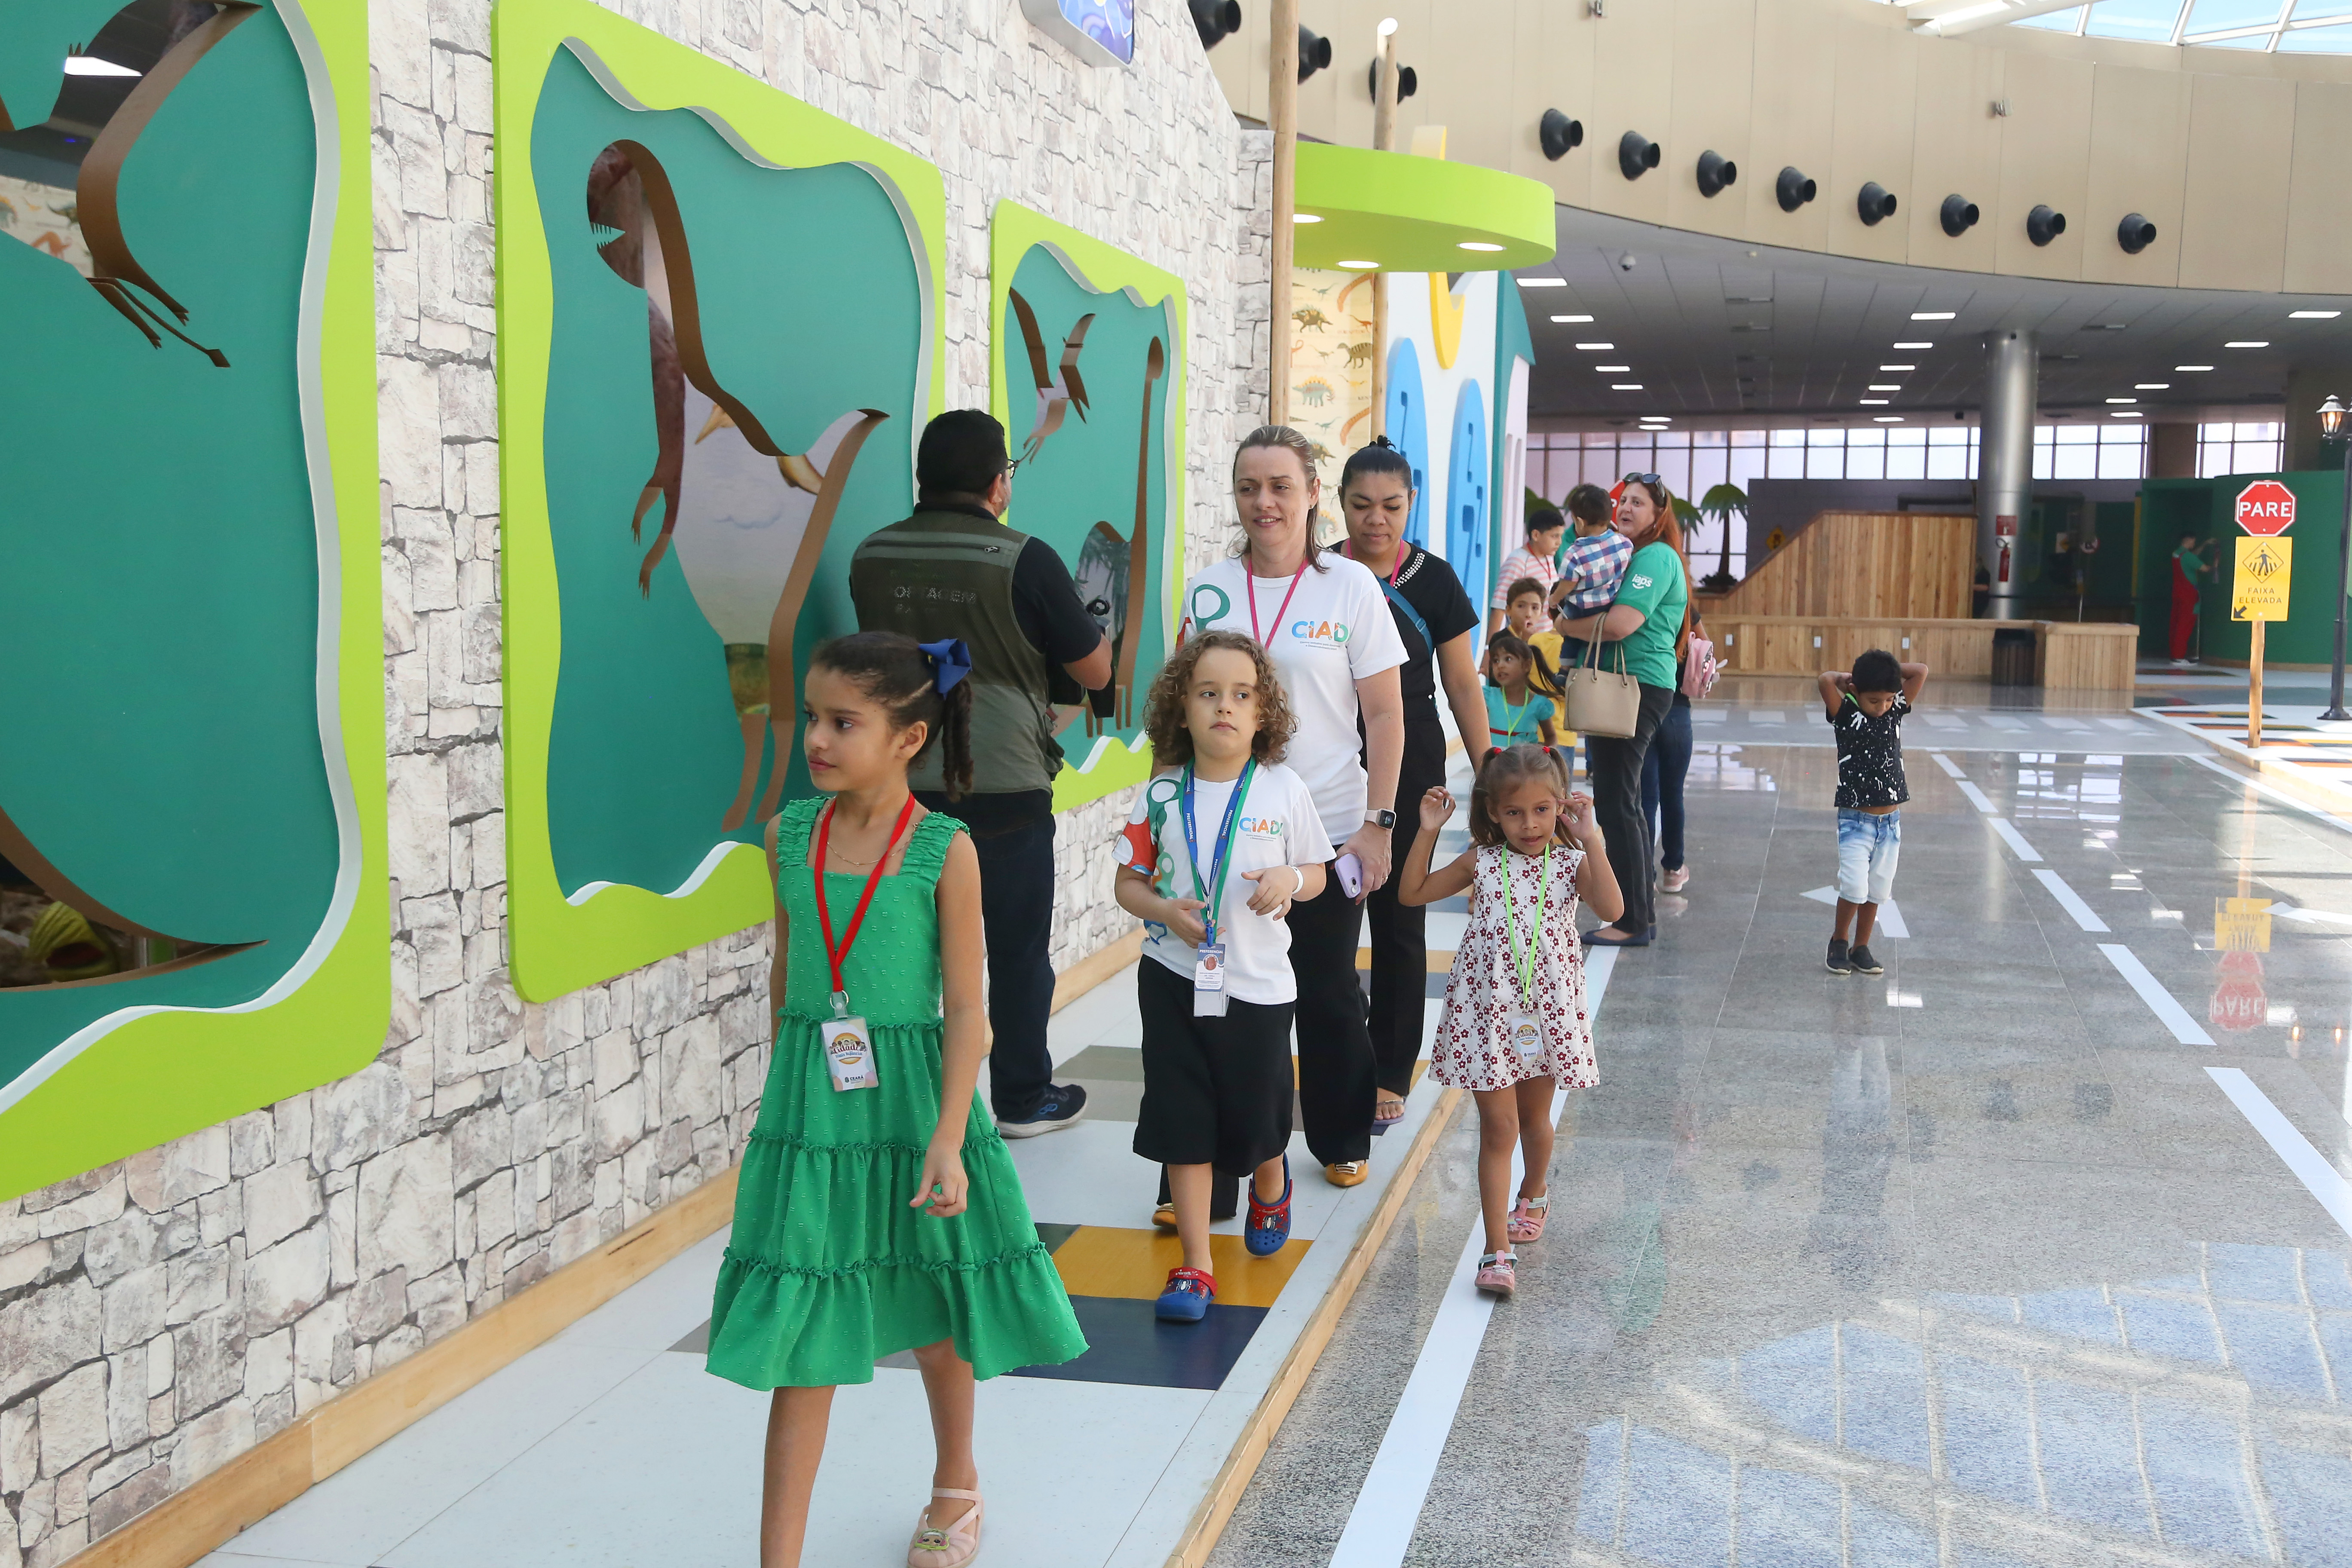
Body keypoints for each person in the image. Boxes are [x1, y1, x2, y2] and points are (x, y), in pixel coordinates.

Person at [707, 632, 1087, 1568]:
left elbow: (968, 1011)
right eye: (813, 717)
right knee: (804, 1329)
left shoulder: (944, 851)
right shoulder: (787, 836)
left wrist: (950, 1137)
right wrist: (791, 1107)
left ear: (909, 738)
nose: (816, 739)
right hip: (816, 1111)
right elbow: (788, 972)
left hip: (919, 1107)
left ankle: (957, 1481)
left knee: (936, 1294)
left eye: (844, 722)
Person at [850, 410, 1111, 1139]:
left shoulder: (872, 555)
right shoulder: (1024, 558)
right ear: (999, 484)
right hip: (1002, 784)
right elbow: (1095, 670)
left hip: (896, 782)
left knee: (900, 949)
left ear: (923, 479)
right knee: (1016, 951)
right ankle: (1022, 1099)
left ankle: (895, 1103)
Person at [1180, 426, 1406, 1188]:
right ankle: (1227, 1151)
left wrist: (1378, 825)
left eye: (1281, 486)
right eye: (1249, 487)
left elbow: (1384, 714)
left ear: (1313, 493)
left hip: (1328, 830)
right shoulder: (1210, 589)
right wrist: (1164, 821)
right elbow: (1180, 709)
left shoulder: (1350, 586)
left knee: (1328, 990)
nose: (1264, 503)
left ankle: (1341, 1136)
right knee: (1228, 997)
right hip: (1226, 835)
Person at [1115, 632, 1328, 1320]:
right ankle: (1196, 1264)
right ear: (1182, 707)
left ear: (1265, 713)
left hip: (1258, 985)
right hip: (1172, 976)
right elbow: (1128, 883)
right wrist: (1161, 911)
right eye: (1208, 693)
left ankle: (1271, 1176)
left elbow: (1319, 873)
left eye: (1242, 695)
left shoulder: (1283, 788)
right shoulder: (1160, 794)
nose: (1225, 708)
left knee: (1257, 1110)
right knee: (1183, 1116)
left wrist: (1289, 878)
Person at [1397, 747, 1621, 1299]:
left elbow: (1614, 909)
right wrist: (1428, 830)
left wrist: (1592, 838)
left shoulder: (1570, 864)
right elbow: (1411, 892)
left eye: (1543, 810)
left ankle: (1535, 1191)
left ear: (1560, 806)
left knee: (1535, 1118)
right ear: (1494, 811)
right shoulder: (1481, 861)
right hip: (1487, 1011)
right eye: (1516, 813)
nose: (1530, 824)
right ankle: (1496, 1251)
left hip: (1547, 1011)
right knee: (1499, 1128)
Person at [1332, 438, 1489, 1125]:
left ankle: (1391, 1069)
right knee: (1328, 918)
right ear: (1340, 504)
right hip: (1332, 756)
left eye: (1392, 506)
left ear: (1411, 504)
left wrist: (1489, 770)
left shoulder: (1435, 579)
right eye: (1362, 505)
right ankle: (1343, 1053)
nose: (1377, 519)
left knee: (1400, 915)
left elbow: (1462, 683)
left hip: (1412, 758)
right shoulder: (1321, 572)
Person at [1551, 474, 1691, 949]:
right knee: (1620, 800)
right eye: (1623, 501)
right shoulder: (1627, 551)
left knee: (1619, 802)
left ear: (1659, 514)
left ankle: (1633, 920)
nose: (1626, 508)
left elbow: (1621, 623)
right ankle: (1635, 916)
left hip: (1636, 686)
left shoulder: (1656, 557)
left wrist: (1564, 624)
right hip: (1618, 686)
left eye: (1638, 503)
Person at [1818, 649, 1929, 977]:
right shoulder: (1845, 713)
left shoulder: (1895, 709)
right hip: (1855, 821)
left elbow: (1920, 671)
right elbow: (1825, 681)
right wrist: (1849, 678)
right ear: (1856, 692)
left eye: (1888, 699)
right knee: (1854, 887)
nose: (1882, 707)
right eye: (1874, 700)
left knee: (1878, 889)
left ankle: (1861, 947)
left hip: (1890, 825)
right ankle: (1839, 941)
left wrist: (1888, 671)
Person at [1640, 609, 1703, 895]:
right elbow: (1705, 649)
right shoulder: (1684, 609)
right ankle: (1674, 869)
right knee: (1672, 794)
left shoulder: (1634, 605)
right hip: (1677, 711)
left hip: (1642, 709)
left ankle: (1645, 874)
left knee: (1646, 799)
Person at [1557, 488, 1634, 617]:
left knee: (1566, 627)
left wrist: (1555, 598)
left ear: (1580, 522)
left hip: (1580, 610)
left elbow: (1567, 585)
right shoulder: (1624, 543)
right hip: (1611, 606)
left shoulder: (1574, 554)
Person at [1488, 506, 1565, 634]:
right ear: (1536, 535)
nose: (1559, 542)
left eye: (1561, 536)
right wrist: (1490, 644)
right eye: (1554, 536)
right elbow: (1499, 605)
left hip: (1547, 640)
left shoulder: (1549, 558)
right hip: (1524, 642)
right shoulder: (1517, 561)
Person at [1483, 632, 1559, 748]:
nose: (1500, 665)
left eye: (1508, 659)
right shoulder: (1488, 697)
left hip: (1524, 759)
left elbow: (1551, 736)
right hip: (1495, 759)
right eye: (1496, 661)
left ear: (1527, 665)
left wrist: (1547, 752)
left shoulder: (1540, 705)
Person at [2170, 533, 2208, 665]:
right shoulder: (2188, 557)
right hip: (2189, 595)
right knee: (2185, 626)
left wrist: (2204, 545)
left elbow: (2191, 557)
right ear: (2189, 540)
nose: (2194, 544)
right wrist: (2216, 564)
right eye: (2194, 542)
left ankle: (2174, 654)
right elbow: (2205, 569)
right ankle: (2179, 657)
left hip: (2177, 592)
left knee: (2176, 624)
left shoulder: (2177, 554)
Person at [1502, 576, 1550, 643]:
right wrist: (1525, 641)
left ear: (1541, 613)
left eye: (1535, 608)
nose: (1528, 614)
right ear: (1509, 610)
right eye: (1521, 606)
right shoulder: (1500, 640)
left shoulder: (1542, 642)